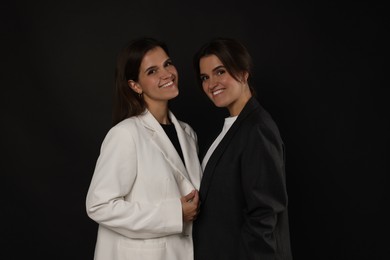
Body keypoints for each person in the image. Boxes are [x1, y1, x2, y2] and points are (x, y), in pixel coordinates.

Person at [86, 37, 202, 260]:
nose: (166, 74)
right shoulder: (125, 134)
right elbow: (98, 205)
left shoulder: (188, 133)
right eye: (152, 71)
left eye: (168, 64)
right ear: (135, 85)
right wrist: (174, 214)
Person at [192, 37, 293, 260]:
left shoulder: (257, 129)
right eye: (205, 77)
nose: (211, 84)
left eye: (220, 72)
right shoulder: (233, 127)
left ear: (244, 72)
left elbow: (264, 215)